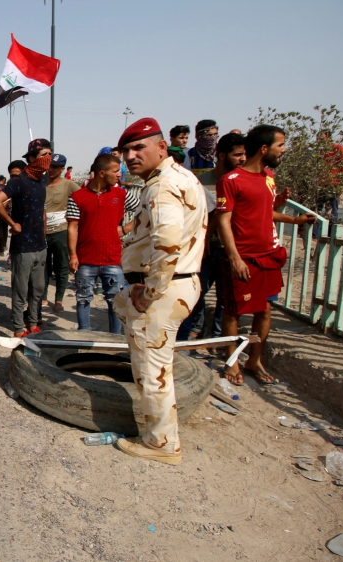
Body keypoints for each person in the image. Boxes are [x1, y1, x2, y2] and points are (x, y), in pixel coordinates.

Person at [112, 118, 207, 465]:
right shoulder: (181, 177)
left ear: (162, 147)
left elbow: (167, 243)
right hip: (181, 283)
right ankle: (162, 434)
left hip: (165, 287)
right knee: (157, 365)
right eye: (126, 151)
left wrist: (149, 292)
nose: (131, 156)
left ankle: (161, 444)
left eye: (139, 148)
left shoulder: (162, 185)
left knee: (152, 371)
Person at [216, 124, 316, 386]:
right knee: (233, 313)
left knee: (265, 312)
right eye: (280, 145)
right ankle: (232, 361)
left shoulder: (269, 177)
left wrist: (293, 220)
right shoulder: (230, 181)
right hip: (244, 259)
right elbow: (223, 221)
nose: (283, 150)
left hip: (269, 257)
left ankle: (253, 360)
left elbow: (265, 211)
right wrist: (235, 258)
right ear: (264, 148)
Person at [178, 132, 246, 341]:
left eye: (245, 154)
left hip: (232, 249)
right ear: (222, 155)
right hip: (205, 249)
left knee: (226, 298)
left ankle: (218, 337)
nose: (242, 159)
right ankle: (196, 330)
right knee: (197, 292)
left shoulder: (244, 182)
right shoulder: (200, 182)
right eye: (238, 155)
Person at [68, 154, 138, 333]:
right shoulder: (77, 197)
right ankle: (83, 335)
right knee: (83, 299)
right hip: (85, 260)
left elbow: (143, 210)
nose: (119, 175)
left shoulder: (121, 194)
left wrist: (126, 228)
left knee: (115, 301)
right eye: (115, 171)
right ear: (101, 173)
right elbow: (72, 228)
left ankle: (115, 340)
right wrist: (73, 255)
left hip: (113, 259)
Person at [0, 142, 50, 337]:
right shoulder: (18, 181)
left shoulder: (43, 181)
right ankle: (18, 327)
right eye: (44, 154)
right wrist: (12, 224)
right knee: (20, 290)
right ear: (32, 158)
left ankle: (32, 323)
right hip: (22, 246)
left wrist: (44, 233)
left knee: (38, 290)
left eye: (50, 154)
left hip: (40, 245)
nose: (48, 158)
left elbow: (42, 209)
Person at [41, 153, 79, 315]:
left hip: (61, 231)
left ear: (62, 169)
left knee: (61, 266)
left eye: (55, 167)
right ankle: (42, 297)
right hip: (42, 231)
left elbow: (82, 200)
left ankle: (58, 299)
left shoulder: (69, 185)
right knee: (43, 267)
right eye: (49, 166)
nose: (51, 170)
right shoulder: (40, 183)